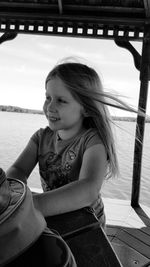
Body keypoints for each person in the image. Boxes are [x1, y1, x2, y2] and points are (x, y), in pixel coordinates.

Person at [6, 59, 136, 229]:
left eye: (61, 100)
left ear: (87, 108)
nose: (50, 106)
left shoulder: (93, 141)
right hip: (53, 215)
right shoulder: (40, 137)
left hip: (87, 224)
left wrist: (32, 205)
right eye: (48, 97)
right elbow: (19, 169)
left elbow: (88, 189)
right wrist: (12, 195)